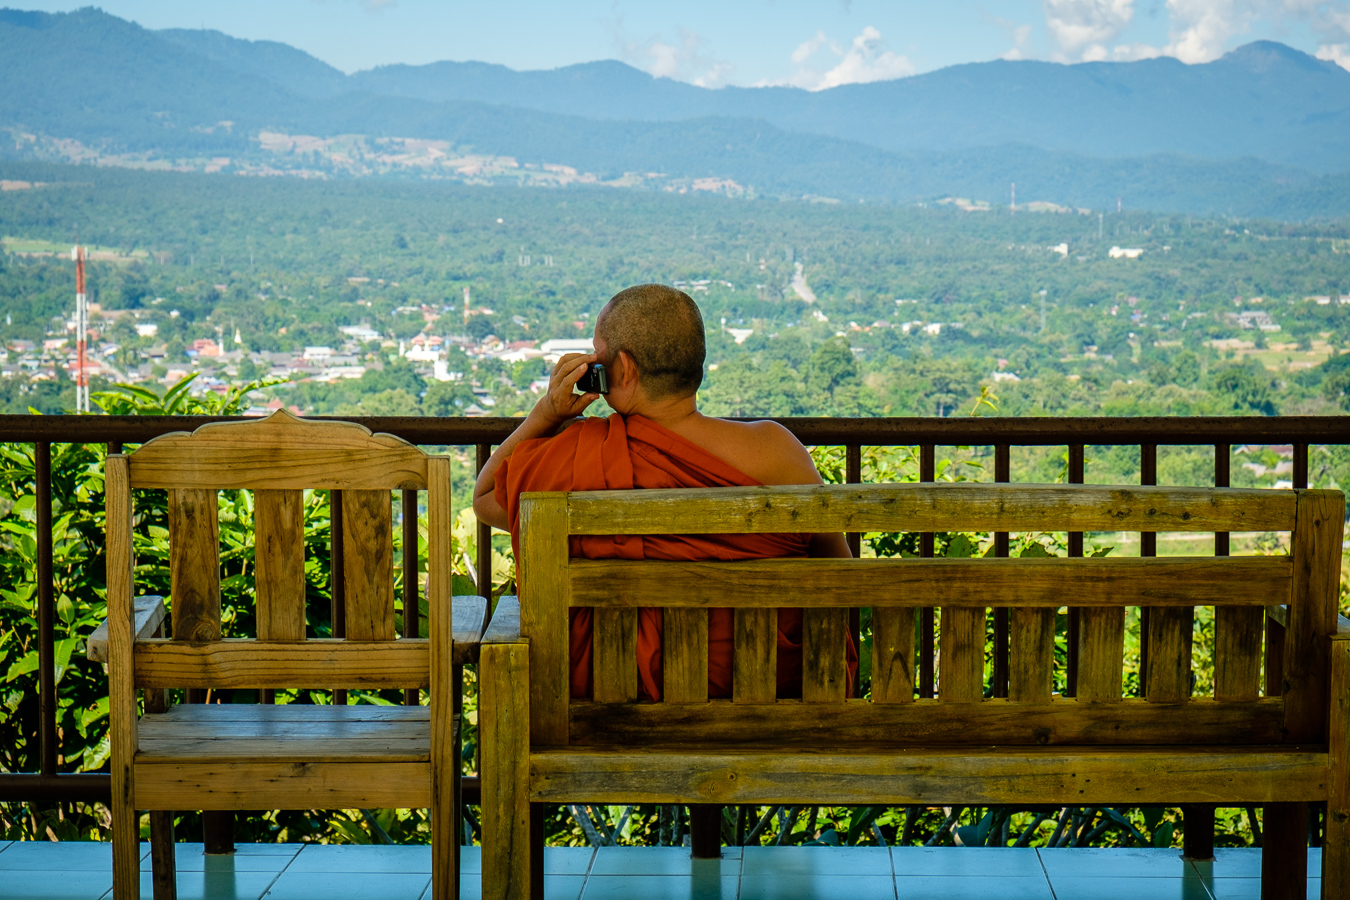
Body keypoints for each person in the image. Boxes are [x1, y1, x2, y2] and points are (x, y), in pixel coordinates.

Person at [473, 283, 853, 700]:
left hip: (613, 709)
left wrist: (545, 413)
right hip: (765, 701)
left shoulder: (574, 455)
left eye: (597, 356)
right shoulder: (777, 452)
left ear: (625, 370)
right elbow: (839, 575)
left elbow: (486, 497)